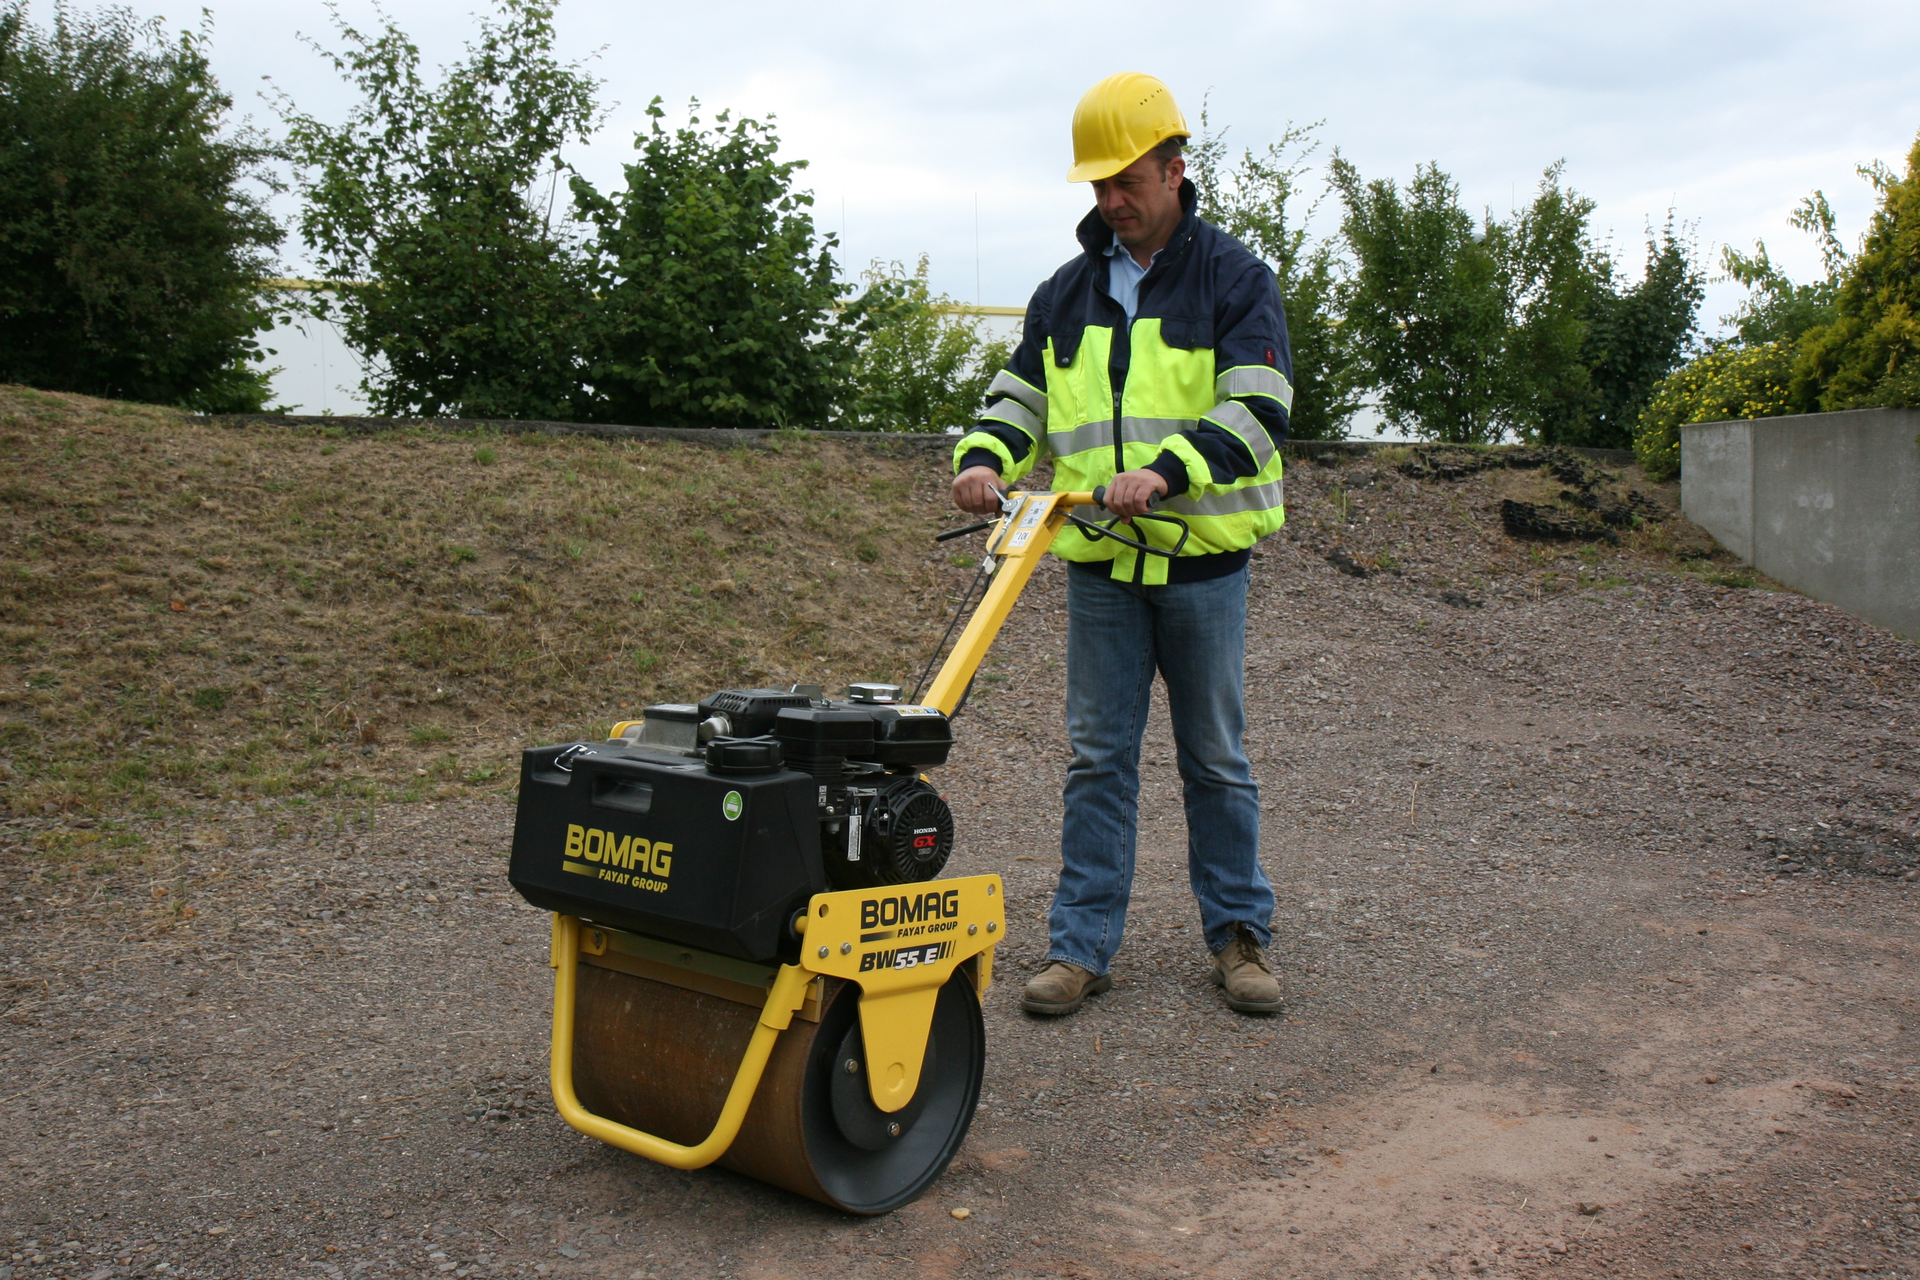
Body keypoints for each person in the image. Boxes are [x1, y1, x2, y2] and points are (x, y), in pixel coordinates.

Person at [950, 72, 1293, 1018]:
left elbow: (1258, 409)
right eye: (1098, 186)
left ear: (1176, 171)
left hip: (1202, 567)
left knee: (1214, 758)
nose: (1112, 201)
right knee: (1097, 761)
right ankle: (1081, 948)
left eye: (1128, 181)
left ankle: (1238, 938)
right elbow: (1020, 398)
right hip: (1102, 568)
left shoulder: (1235, 280)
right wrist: (983, 459)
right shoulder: (1064, 295)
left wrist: (1169, 471)